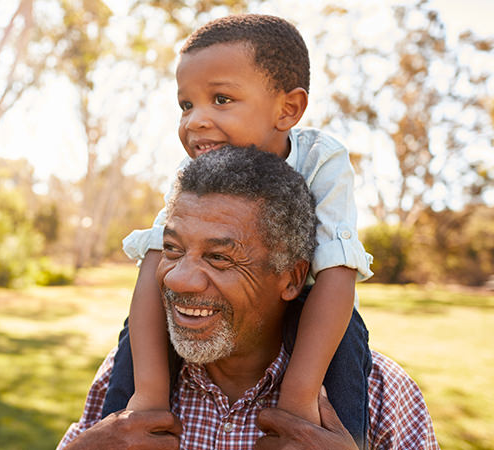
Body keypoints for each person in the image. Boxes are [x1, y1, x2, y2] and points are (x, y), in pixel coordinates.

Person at [104, 14, 374, 448]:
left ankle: (328, 437)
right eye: (186, 105)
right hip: (221, 317)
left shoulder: (321, 160)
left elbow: (337, 272)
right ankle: (125, 431)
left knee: (349, 338)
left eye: (222, 99)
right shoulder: (191, 174)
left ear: (288, 109)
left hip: (309, 302)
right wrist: (148, 395)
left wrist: (297, 400)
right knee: (134, 335)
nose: (195, 121)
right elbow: (155, 264)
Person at [57, 147, 439, 450]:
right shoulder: (127, 375)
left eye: (219, 257)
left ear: (291, 279)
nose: (179, 279)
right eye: (172, 250)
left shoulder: (381, 394)